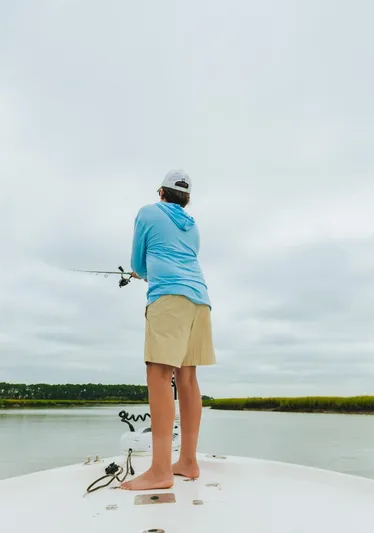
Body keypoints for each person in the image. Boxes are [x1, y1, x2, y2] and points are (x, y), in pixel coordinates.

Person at [120, 169, 216, 491]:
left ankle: (161, 469)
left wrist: (141, 273)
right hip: (199, 300)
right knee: (187, 378)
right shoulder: (194, 227)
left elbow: (138, 264)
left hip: (169, 299)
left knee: (159, 375)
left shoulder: (148, 213)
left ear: (161, 193)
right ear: (186, 199)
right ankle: (188, 461)